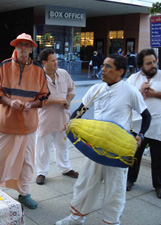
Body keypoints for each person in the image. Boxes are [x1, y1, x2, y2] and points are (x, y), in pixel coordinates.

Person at [56, 54, 151, 225]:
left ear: (120, 71)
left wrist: (140, 135)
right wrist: (70, 123)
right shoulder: (96, 89)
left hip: (116, 149)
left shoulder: (129, 91)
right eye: (103, 66)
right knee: (85, 183)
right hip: (95, 145)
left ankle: (111, 222)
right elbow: (81, 109)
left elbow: (146, 116)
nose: (103, 69)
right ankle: (76, 218)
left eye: (108, 66)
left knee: (115, 189)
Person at [0, 33, 50, 209]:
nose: (23, 48)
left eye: (27, 45)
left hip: (29, 126)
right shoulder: (5, 65)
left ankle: (24, 194)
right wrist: (9, 101)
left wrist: (32, 104)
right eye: (20, 44)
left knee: (27, 162)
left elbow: (44, 96)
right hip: (6, 124)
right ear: (15, 47)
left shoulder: (39, 70)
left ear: (31, 49)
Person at [127, 48, 161, 199]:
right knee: (134, 156)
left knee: (159, 159)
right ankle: (130, 180)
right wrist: (140, 91)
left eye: (154, 62)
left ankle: (159, 186)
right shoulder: (133, 79)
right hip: (139, 127)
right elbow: (128, 99)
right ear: (141, 66)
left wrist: (153, 93)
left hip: (160, 126)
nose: (153, 65)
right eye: (148, 63)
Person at [35, 48, 78, 185]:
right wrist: (55, 101)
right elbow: (34, 100)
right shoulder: (37, 77)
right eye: (52, 61)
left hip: (62, 117)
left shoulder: (63, 74)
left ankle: (65, 168)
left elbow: (71, 90)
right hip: (45, 119)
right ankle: (41, 172)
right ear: (44, 62)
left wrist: (68, 101)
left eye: (56, 60)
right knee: (42, 148)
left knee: (63, 145)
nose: (56, 63)